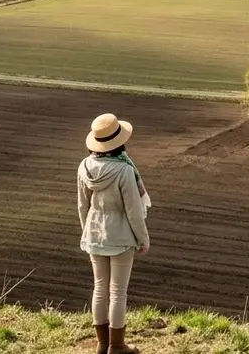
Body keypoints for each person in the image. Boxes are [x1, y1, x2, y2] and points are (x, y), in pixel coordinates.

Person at [78, 113, 151, 354]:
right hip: (120, 236)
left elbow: (82, 206)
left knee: (99, 288)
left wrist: (87, 230)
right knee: (118, 292)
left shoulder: (84, 166)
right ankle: (117, 346)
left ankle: (101, 344)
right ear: (120, 141)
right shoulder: (125, 170)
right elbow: (133, 211)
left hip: (94, 232)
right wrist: (143, 238)